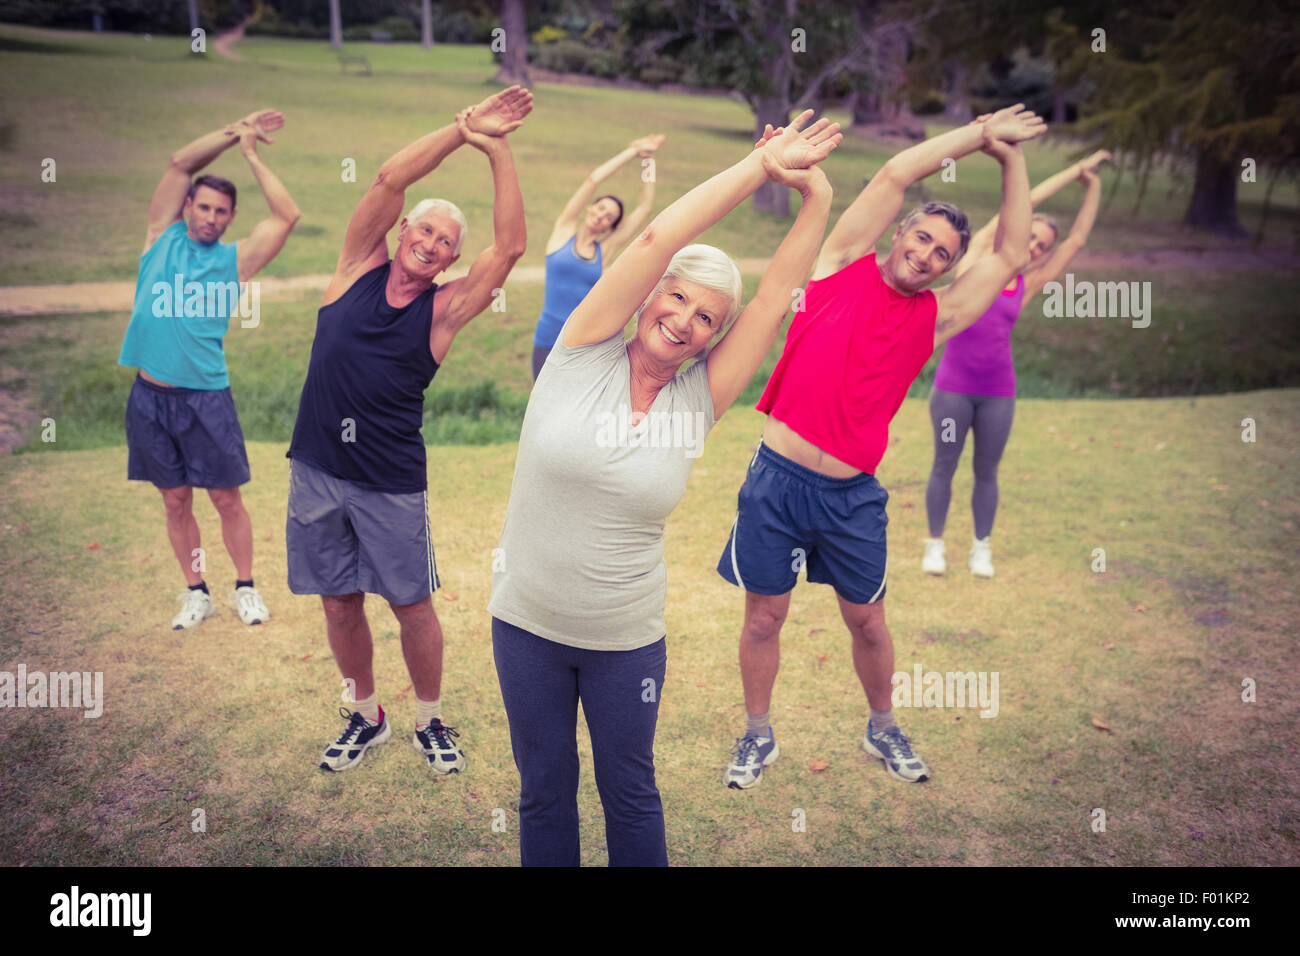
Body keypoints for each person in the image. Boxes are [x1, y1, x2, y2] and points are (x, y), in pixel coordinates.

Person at [489, 111, 841, 865]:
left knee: (630, 790)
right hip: (525, 625)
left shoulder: (699, 400)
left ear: (715, 337)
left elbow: (777, 296)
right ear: (650, 297)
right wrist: (759, 168)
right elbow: (652, 240)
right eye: (676, 298)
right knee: (545, 788)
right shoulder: (580, 352)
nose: (683, 320)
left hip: (625, 641)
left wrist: (815, 198)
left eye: (706, 316)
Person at [716, 104, 1046, 789]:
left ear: (951, 267)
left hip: (851, 495)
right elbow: (897, 171)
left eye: (942, 255)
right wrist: (979, 133)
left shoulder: (940, 317)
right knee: (764, 617)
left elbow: (1011, 252)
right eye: (920, 239)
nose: (925, 256)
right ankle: (756, 734)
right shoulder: (838, 264)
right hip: (775, 478)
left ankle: (883, 726)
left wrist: (1011, 158)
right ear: (900, 233)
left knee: (867, 622)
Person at [286, 87, 532, 775]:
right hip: (315, 468)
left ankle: (430, 718)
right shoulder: (352, 269)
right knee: (338, 603)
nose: (430, 243)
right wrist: (462, 130)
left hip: (390, 481)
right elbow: (391, 178)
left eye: (445, 243)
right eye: (423, 231)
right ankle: (366, 714)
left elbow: (510, 246)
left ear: (451, 260)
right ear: (401, 234)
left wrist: (498, 148)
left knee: (411, 605)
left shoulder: (443, 312)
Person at [119, 109, 300, 631]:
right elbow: (179, 161)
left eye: (222, 211)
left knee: (225, 498)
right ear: (187, 208)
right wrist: (233, 130)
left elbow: (287, 216)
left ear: (230, 217)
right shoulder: (160, 238)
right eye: (203, 207)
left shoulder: (235, 261)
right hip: (150, 396)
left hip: (206, 398)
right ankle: (196, 591)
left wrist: (251, 154)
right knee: (175, 500)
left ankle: (246, 588)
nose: (210, 218)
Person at [923, 150, 1111, 578]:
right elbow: (1017, 204)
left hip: (998, 394)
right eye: (1030, 235)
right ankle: (934, 545)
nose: (1033, 246)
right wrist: (1071, 171)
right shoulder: (974, 261)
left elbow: (1077, 240)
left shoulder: (1028, 284)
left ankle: (980, 548)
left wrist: (1094, 184)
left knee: (987, 471)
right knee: (944, 465)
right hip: (952, 389)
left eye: (1041, 246)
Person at [531, 135, 665, 380]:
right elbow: (594, 179)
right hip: (547, 338)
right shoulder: (562, 233)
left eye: (610, 218)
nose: (603, 216)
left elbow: (644, 208)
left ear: (608, 228)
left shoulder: (605, 252)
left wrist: (648, 161)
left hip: (582, 342)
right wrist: (633, 151)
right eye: (601, 208)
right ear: (590, 208)